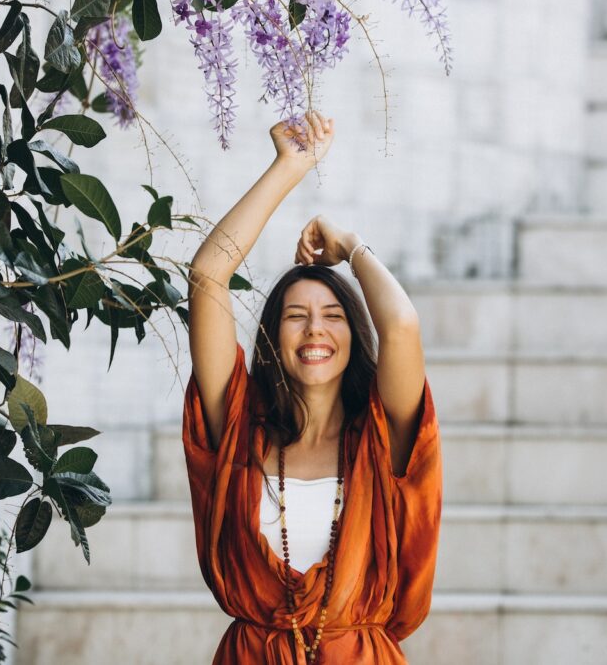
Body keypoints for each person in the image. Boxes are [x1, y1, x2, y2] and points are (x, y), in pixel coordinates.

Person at [183, 111, 442, 664]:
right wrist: (290, 167)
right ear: (274, 337)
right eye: (295, 315)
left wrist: (348, 246)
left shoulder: (382, 437)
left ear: (354, 332)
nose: (315, 329)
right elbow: (208, 275)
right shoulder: (236, 429)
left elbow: (400, 325)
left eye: (333, 315)